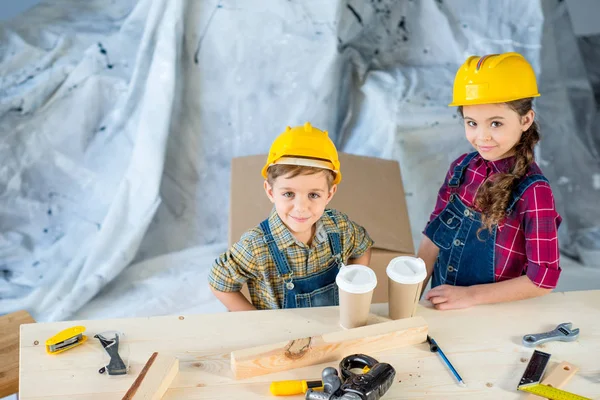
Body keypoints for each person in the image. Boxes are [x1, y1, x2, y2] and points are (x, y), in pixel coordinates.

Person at [418, 52, 562, 310]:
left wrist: (469, 296)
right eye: (472, 123)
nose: (482, 136)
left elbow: (542, 280)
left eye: (495, 123)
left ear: (525, 120)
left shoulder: (534, 191)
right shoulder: (461, 168)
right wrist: (409, 294)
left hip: (495, 317)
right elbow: (434, 236)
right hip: (441, 309)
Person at [209, 122, 374, 311]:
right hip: (283, 338)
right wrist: (255, 321)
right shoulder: (256, 247)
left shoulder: (340, 227)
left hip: (332, 332)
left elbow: (363, 246)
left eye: (314, 195)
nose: (301, 208)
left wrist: (354, 290)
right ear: (270, 191)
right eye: (289, 194)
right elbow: (219, 280)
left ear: (329, 194)